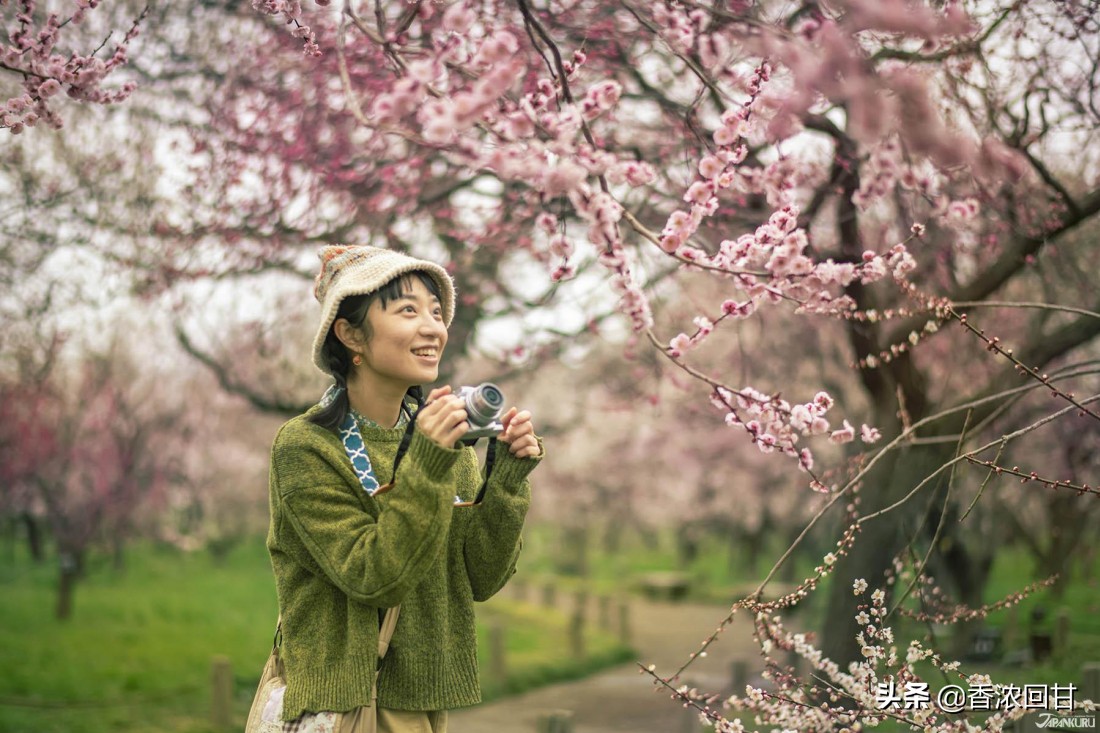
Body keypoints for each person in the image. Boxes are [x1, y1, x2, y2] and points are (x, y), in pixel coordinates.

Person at [266, 245, 543, 733]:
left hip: (425, 704)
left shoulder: (442, 439)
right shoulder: (306, 447)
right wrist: (430, 459)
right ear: (350, 333)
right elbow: (375, 577)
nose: (433, 327)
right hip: (346, 705)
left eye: (437, 313)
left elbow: (481, 577)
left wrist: (507, 478)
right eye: (408, 310)